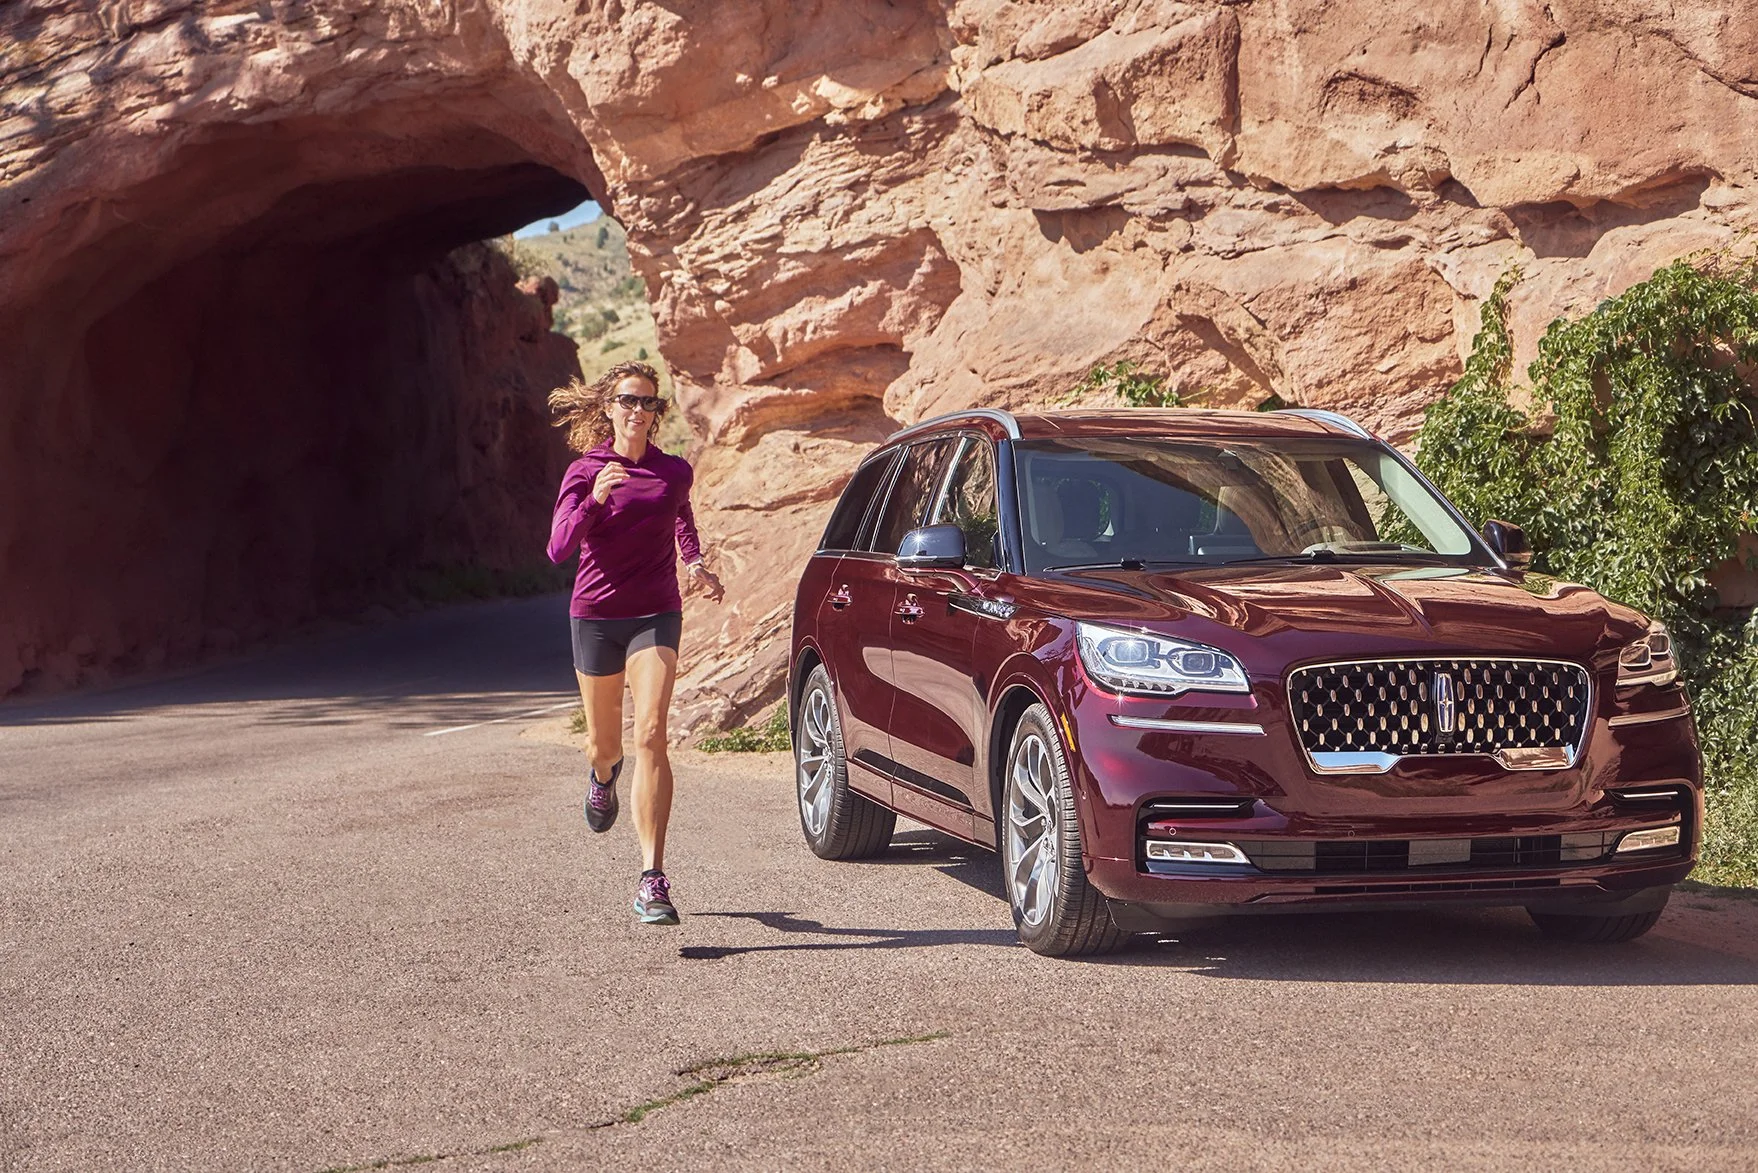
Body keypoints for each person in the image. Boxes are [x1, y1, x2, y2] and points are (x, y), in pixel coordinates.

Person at [546, 361, 724, 925]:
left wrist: (694, 563)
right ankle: (602, 777)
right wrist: (594, 499)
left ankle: (652, 878)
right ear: (609, 407)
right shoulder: (586, 469)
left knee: (650, 732)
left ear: (656, 413)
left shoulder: (673, 471)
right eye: (628, 400)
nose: (638, 411)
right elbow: (557, 548)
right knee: (605, 744)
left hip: (656, 613)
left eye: (648, 403)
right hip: (595, 616)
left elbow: (681, 518)